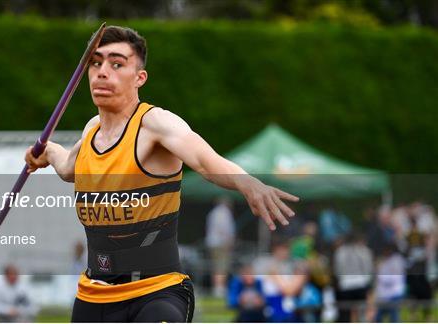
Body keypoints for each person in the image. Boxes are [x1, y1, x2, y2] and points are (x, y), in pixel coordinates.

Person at [25, 25, 299, 322]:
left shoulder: (156, 124)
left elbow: (207, 162)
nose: (103, 71)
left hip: (156, 291)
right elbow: (69, 169)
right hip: (95, 294)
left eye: (117, 64)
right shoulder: (93, 130)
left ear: (139, 78)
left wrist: (248, 183)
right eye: (96, 62)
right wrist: (48, 151)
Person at [205, 196, 236, 297]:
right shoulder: (224, 213)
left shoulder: (213, 212)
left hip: (212, 243)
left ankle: (217, 288)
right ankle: (219, 289)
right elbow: (224, 229)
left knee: (216, 266)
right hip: (220, 244)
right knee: (221, 266)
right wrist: (228, 242)